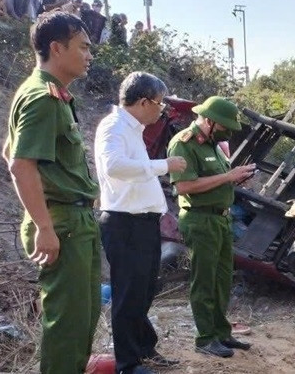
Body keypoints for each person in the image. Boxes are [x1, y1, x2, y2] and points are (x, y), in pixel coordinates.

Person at [2, 11, 100, 373]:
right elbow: (21, 164)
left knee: (82, 318)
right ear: (57, 48)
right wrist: (43, 225)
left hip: (73, 219)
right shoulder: (42, 98)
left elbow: (10, 152)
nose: (89, 55)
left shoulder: (50, 94)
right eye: (83, 47)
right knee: (68, 326)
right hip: (63, 223)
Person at [94, 72, 185, 374]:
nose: (161, 111)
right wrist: (163, 166)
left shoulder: (132, 130)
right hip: (125, 224)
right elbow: (115, 166)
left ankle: (144, 348)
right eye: (159, 104)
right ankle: (127, 364)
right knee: (127, 294)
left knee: (144, 290)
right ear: (144, 101)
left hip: (143, 223)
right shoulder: (114, 126)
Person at [166, 97, 255, 358]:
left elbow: (215, 180)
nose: (227, 131)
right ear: (209, 120)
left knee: (222, 280)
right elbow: (184, 186)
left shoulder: (215, 145)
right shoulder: (184, 144)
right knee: (204, 281)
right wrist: (228, 176)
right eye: (223, 126)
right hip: (200, 220)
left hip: (220, 219)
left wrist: (236, 180)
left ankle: (221, 333)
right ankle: (205, 338)